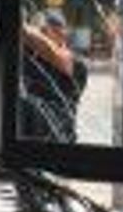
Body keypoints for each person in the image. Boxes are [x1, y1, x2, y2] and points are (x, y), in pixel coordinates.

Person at [19, 9, 88, 143]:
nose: (36, 38)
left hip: (58, 142)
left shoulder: (76, 64)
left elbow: (56, 56)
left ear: (62, 34)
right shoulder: (30, 58)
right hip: (27, 138)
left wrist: (23, 28)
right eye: (40, 31)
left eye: (44, 31)